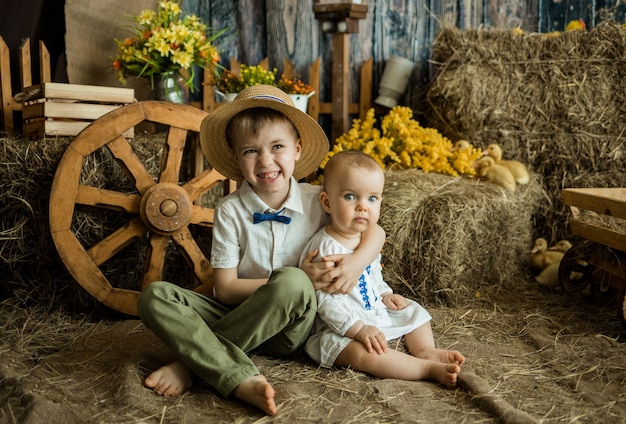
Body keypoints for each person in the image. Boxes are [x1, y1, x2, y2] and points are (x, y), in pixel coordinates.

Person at [137, 85, 385, 416]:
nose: (265, 161)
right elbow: (224, 290)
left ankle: (191, 365)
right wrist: (291, 280)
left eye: (277, 147)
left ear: (297, 150)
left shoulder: (319, 199)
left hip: (292, 328)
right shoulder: (230, 210)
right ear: (237, 159)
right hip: (241, 314)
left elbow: (376, 230)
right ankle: (234, 372)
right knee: (154, 297)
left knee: (294, 283)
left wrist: (354, 264)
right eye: (251, 151)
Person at [300, 150, 465, 388]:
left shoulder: (364, 240)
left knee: (414, 310)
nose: (362, 207)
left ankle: (426, 350)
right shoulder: (326, 248)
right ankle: (425, 368)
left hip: (373, 312)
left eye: (372, 199)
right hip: (339, 328)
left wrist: (385, 294)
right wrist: (358, 330)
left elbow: (373, 275)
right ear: (327, 202)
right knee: (362, 354)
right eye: (349, 197)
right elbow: (326, 302)